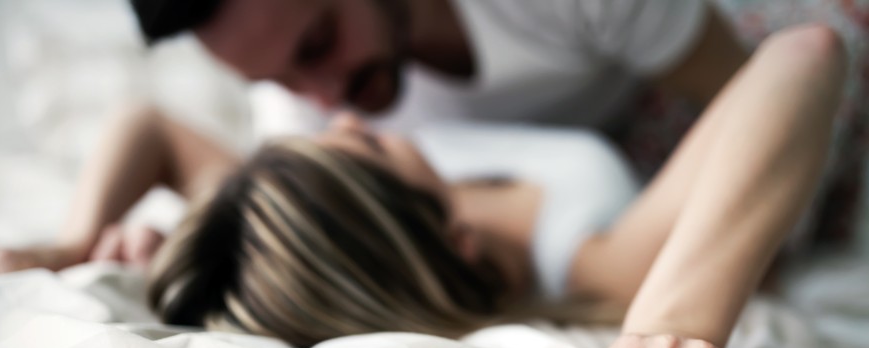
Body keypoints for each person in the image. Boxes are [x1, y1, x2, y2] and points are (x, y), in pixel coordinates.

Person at [0, 25, 841, 348]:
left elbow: (146, 123)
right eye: (362, 145)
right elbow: (800, 59)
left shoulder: (304, 202)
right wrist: (673, 328)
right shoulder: (590, 257)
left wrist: (70, 249)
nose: (356, 117)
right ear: (446, 235)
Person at [127, 0, 747, 131]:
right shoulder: (299, 113)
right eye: (277, 81)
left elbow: (746, 93)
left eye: (318, 43)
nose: (322, 96)